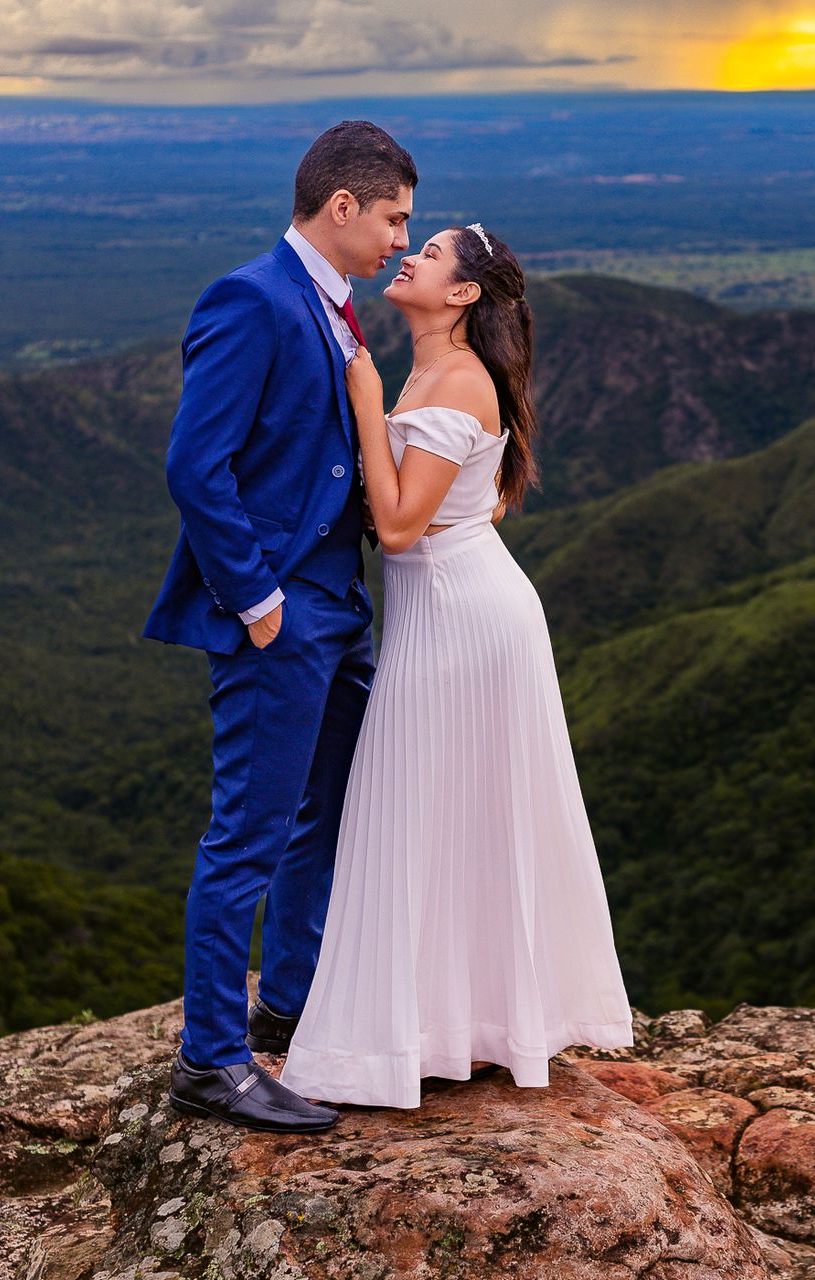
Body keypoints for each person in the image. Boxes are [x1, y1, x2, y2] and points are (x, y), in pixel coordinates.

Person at [277, 222, 635, 1108]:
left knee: (412, 805)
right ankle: (458, 1025)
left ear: (464, 295)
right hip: (459, 604)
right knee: (455, 813)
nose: (410, 257)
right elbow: (479, 504)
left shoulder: (456, 380)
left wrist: (361, 392)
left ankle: (418, 1033)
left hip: (459, 622)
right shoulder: (446, 374)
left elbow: (398, 527)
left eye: (430, 253)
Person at [142, 121, 415, 1133]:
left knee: (329, 815)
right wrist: (260, 605)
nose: (398, 239)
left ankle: (289, 1004)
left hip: (342, 611)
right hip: (284, 618)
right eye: (393, 218)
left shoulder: (334, 305)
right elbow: (194, 466)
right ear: (342, 206)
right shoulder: (252, 298)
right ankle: (210, 1061)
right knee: (244, 837)